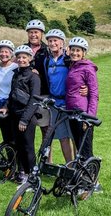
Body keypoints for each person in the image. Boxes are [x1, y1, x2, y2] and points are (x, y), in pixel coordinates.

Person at [0, 45, 41, 186]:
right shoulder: (16, 74)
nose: (21, 60)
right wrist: (5, 107)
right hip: (14, 114)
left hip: (26, 116)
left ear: (30, 59)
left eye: (24, 57)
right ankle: (22, 171)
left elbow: (34, 99)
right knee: (18, 145)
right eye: (19, 57)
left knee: (28, 146)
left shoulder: (34, 76)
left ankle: (32, 176)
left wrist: (25, 119)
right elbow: (12, 94)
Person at [65, 36, 101, 192]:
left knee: (85, 150)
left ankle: (91, 184)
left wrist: (90, 117)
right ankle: (82, 180)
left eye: (78, 50)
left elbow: (94, 94)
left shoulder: (88, 68)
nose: (75, 53)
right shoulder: (72, 66)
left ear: (84, 52)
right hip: (71, 112)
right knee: (78, 148)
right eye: (72, 50)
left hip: (83, 114)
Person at [44, 29, 73, 163]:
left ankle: (78, 168)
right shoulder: (47, 61)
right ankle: (69, 166)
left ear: (62, 43)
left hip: (69, 103)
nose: (52, 43)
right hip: (55, 104)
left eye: (55, 40)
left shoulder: (68, 59)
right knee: (62, 137)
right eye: (50, 41)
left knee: (74, 137)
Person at [23, 20, 51, 159]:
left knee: (45, 129)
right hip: (25, 95)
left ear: (41, 34)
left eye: (36, 32)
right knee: (26, 128)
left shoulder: (47, 50)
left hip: (42, 94)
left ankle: (47, 161)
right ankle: (29, 161)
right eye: (31, 32)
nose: (33, 35)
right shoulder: (22, 49)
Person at [0, 40, 18, 145]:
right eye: (1, 51)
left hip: (12, 104)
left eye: (6, 52)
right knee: (5, 135)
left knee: (14, 136)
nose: (3, 54)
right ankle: (8, 160)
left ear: (11, 53)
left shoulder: (16, 68)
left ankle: (16, 160)